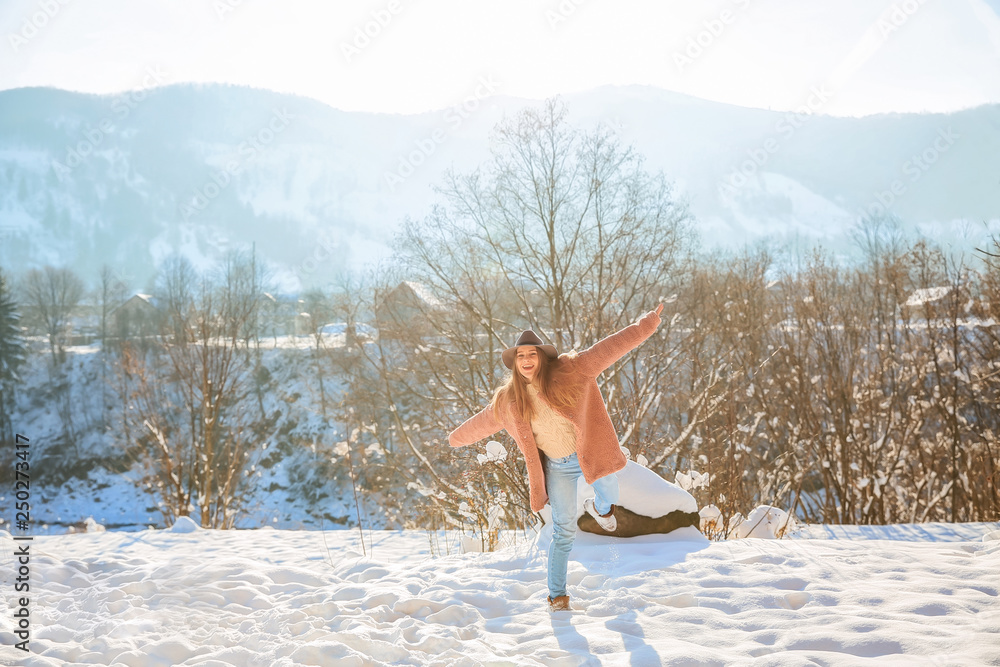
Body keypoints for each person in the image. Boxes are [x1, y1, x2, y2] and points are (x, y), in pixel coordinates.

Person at [448, 305, 663, 611]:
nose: (526, 360)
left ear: (542, 357)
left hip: (587, 454)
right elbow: (480, 423)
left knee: (611, 491)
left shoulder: (573, 370)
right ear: (515, 363)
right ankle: (557, 596)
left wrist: (647, 325)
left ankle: (601, 510)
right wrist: (455, 439)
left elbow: (610, 348)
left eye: (531, 354)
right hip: (557, 468)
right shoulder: (509, 401)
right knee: (563, 533)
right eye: (520, 356)